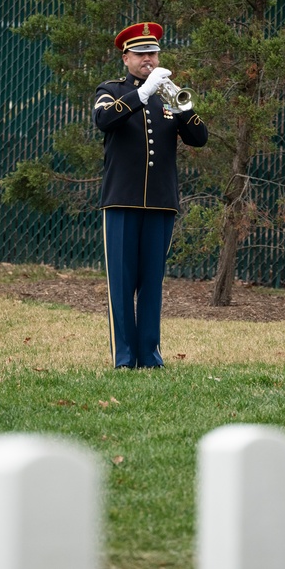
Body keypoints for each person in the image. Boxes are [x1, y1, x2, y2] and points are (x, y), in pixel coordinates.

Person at [93, 22, 209, 369]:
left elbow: (199, 138)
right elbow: (103, 120)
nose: (148, 59)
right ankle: (124, 357)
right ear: (126, 57)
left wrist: (183, 106)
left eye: (153, 53)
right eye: (141, 54)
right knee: (122, 283)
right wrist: (141, 94)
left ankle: (150, 355)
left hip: (160, 202)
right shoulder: (110, 90)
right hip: (121, 200)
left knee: (151, 284)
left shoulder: (169, 96)